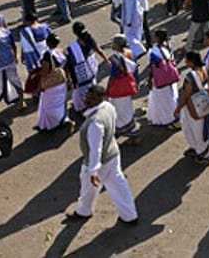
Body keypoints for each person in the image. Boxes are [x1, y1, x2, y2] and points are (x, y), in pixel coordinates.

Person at [65, 85, 138, 224]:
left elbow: (95, 149)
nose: (87, 100)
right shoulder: (109, 107)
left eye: (92, 98)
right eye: (88, 96)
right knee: (118, 185)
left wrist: (93, 171)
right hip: (113, 154)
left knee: (88, 188)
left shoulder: (95, 122)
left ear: (101, 98)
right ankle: (130, 215)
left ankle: (84, 211)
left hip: (100, 162)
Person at [174, 51, 209, 165]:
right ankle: (197, 148)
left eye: (187, 60)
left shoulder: (190, 77)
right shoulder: (203, 69)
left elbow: (186, 95)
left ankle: (203, 155)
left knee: (196, 131)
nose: (185, 62)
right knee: (199, 129)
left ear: (192, 62)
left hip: (194, 107)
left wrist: (178, 108)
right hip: (204, 104)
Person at [66, 22, 108, 113]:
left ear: (74, 32)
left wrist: (69, 78)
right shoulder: (89, 39)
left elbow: (68, 64)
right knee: (92, 86)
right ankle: (94, 102)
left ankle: (83, 107)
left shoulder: (73, 48)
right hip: (91, 69)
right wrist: (106, 60)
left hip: (80, 73)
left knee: (81, 91)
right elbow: (99, 50)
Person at [35, 33, 70, 132]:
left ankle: (53, 124)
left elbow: (45, 71)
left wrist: (38, 75)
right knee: (59, 103)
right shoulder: (62, 51)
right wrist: (68, 80)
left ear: (47, 43)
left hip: (51, 84)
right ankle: (62, 120)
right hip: (62, 82)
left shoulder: (48, 55)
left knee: (48, 106)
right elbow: (67, 67)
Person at [147, 29, 180, 128]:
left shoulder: (154, 51)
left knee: (162, 100)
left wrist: (150, 80)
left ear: (157, 38)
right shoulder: (169, 46)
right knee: (171, 97)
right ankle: (173, 117)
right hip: (170, 76)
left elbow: (152, 68)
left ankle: (167, 119)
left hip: (160, 79)